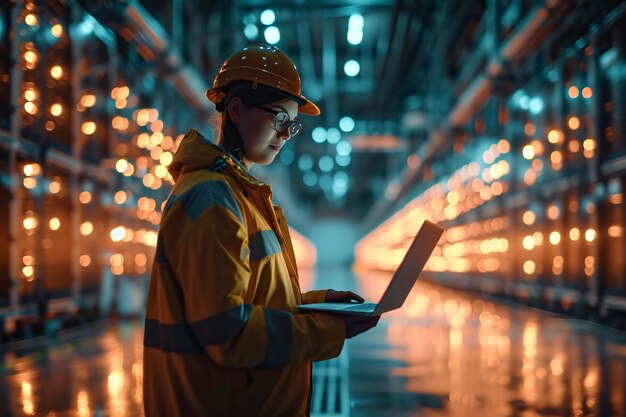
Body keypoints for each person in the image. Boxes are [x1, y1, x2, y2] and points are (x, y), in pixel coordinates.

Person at [143, 44, 380, 417]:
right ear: (236, 110)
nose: (286, 135)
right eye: (280, 119)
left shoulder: (241, 196)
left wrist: (319, 300)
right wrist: (328, 331)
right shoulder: (212, 199)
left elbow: (252, 299)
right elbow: (227, 333)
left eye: (292, 125)